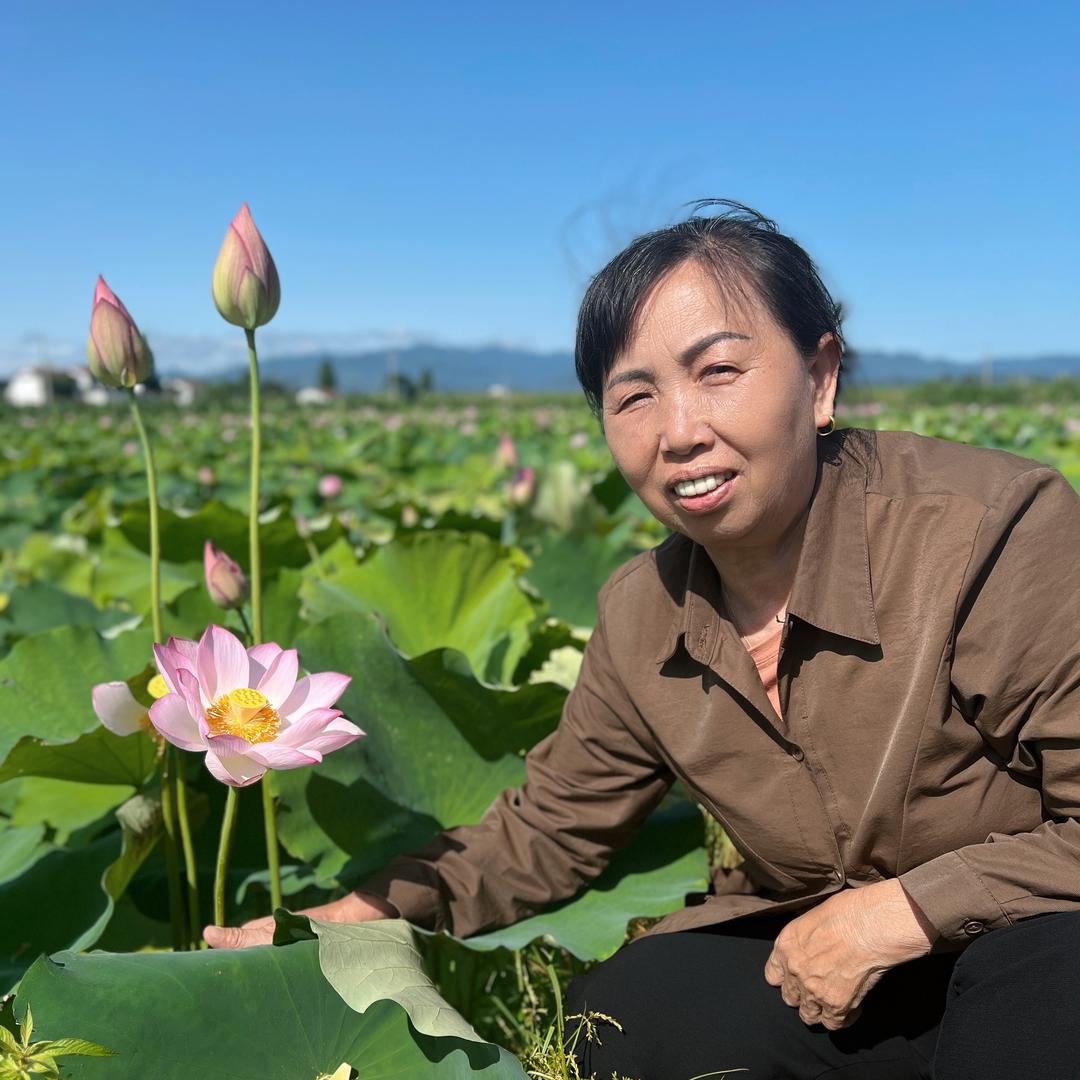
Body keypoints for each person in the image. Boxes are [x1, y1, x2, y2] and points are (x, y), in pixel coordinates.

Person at [205, 202, 1080, 1080]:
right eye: (633, 396)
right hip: (834, 969)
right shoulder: (639, 613)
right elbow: (545, 833)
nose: (679, 432)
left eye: (720, 370)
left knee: (1045, 1006)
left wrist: (901, 914)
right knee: (629, 1020)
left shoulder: (991, 533)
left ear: (820, 379)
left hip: (1037, 931)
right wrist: (340, 921)